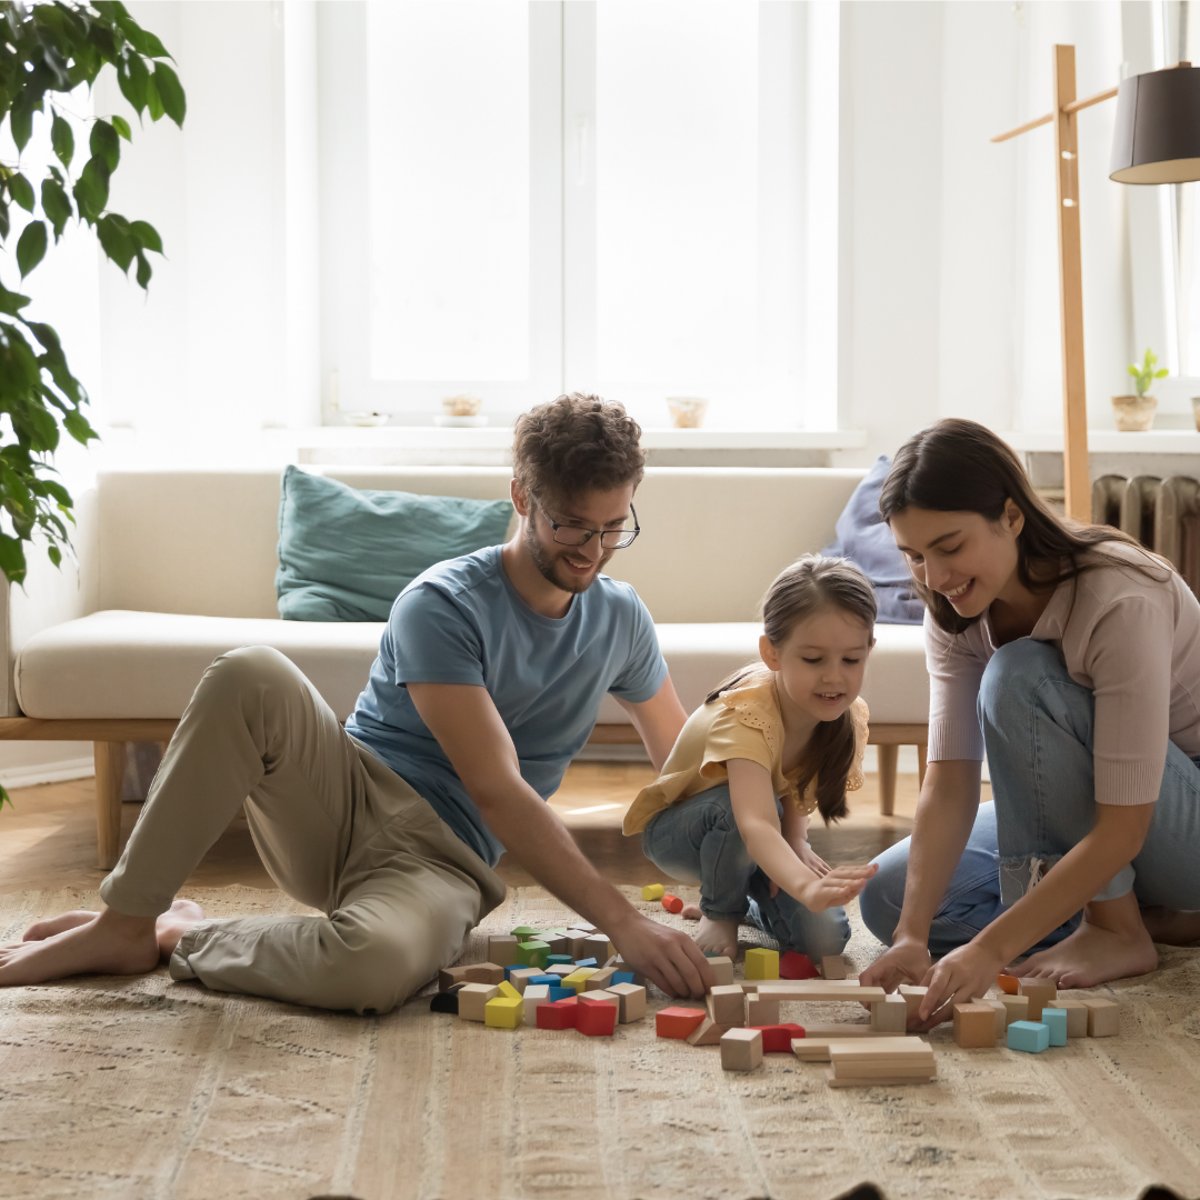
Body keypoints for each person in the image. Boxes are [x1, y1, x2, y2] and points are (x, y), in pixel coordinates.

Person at [0, 393, 714, 1011]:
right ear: (522, 498)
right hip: (342, 804)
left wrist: (764, 851)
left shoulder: (621, 620)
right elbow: (495, 787)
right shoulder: (442, 604)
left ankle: (179, 935)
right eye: (571, 525)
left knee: (371, 967)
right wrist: (622, 920)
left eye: (612, 527)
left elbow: (681, 768)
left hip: (443, 860)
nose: (592, 550)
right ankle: (125, 921)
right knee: (250, 671)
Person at [859, 418, 1200, 1026]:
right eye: (914, 556)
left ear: (1012, 517)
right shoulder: (954, 609)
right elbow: (949, 781)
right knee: (888, 894)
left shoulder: (1119, 596)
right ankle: (1147, 911)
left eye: (950, 546)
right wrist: (911, 937)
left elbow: (1125, 826)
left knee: (1022, 676)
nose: (934, 578)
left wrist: (992, 948)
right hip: (1104, 809)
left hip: (1177, 813)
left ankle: (1118, 928)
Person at [623, 555, 880, 962]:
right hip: (684, 833)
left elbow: (796, 785)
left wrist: (796, 844)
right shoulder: (747, 712)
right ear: (772, 653)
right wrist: (803, 884)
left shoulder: (846, 716)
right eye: (813, 660)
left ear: (869, 650)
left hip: (759, 834)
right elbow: (754, 821)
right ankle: (720, 910)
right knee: (734, 810)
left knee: (824, 939)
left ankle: (749, 905)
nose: (834, 677)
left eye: (851, 660)